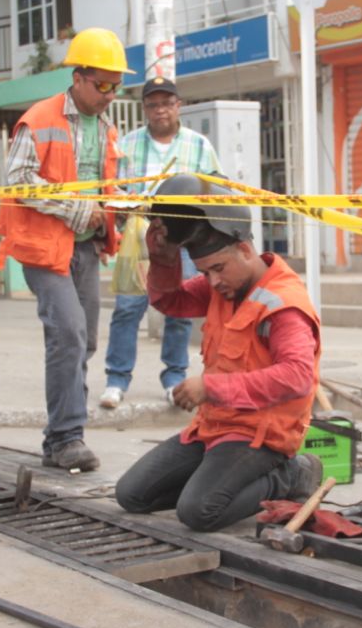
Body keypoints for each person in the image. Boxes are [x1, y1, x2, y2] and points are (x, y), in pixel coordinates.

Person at [115, 174, 325, 532]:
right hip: (213, 428)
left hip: (261, 436)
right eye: (203, 271)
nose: (212, 281)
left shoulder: (284, 304)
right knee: (132, 496)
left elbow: (298, 377)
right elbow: (171, 301)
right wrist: (163, 261)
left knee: (199, 512)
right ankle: (216, 479)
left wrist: (212, 387)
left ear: (245, 250)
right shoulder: (224, 284)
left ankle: (291, 475)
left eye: (217, 269)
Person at [0, 28, 130, 473]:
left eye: (117, 85)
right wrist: (77, 209)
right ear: (78, 78)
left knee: (84, 340)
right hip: (43, 248)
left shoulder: (109, 128)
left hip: (85, 249)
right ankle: (64, 438)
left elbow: (106, 186)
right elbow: (17, 180)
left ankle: (64, 432)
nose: (111, 94)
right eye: (103, 84)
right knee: (69, 334)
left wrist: (119, 216)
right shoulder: (40, 118)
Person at [100, 76, 221, 410]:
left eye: (167, 103)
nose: (160, 110)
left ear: (178, 106)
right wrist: (129, 202)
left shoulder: (198, 145)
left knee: (179, 310)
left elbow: (217, 188)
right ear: (145, 109)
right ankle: (117, 380)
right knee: (127, 308)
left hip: (184, 241)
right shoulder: (128, 144)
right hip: (139, 239)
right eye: (153, 104)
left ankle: (174, 378)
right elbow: (113, 189)